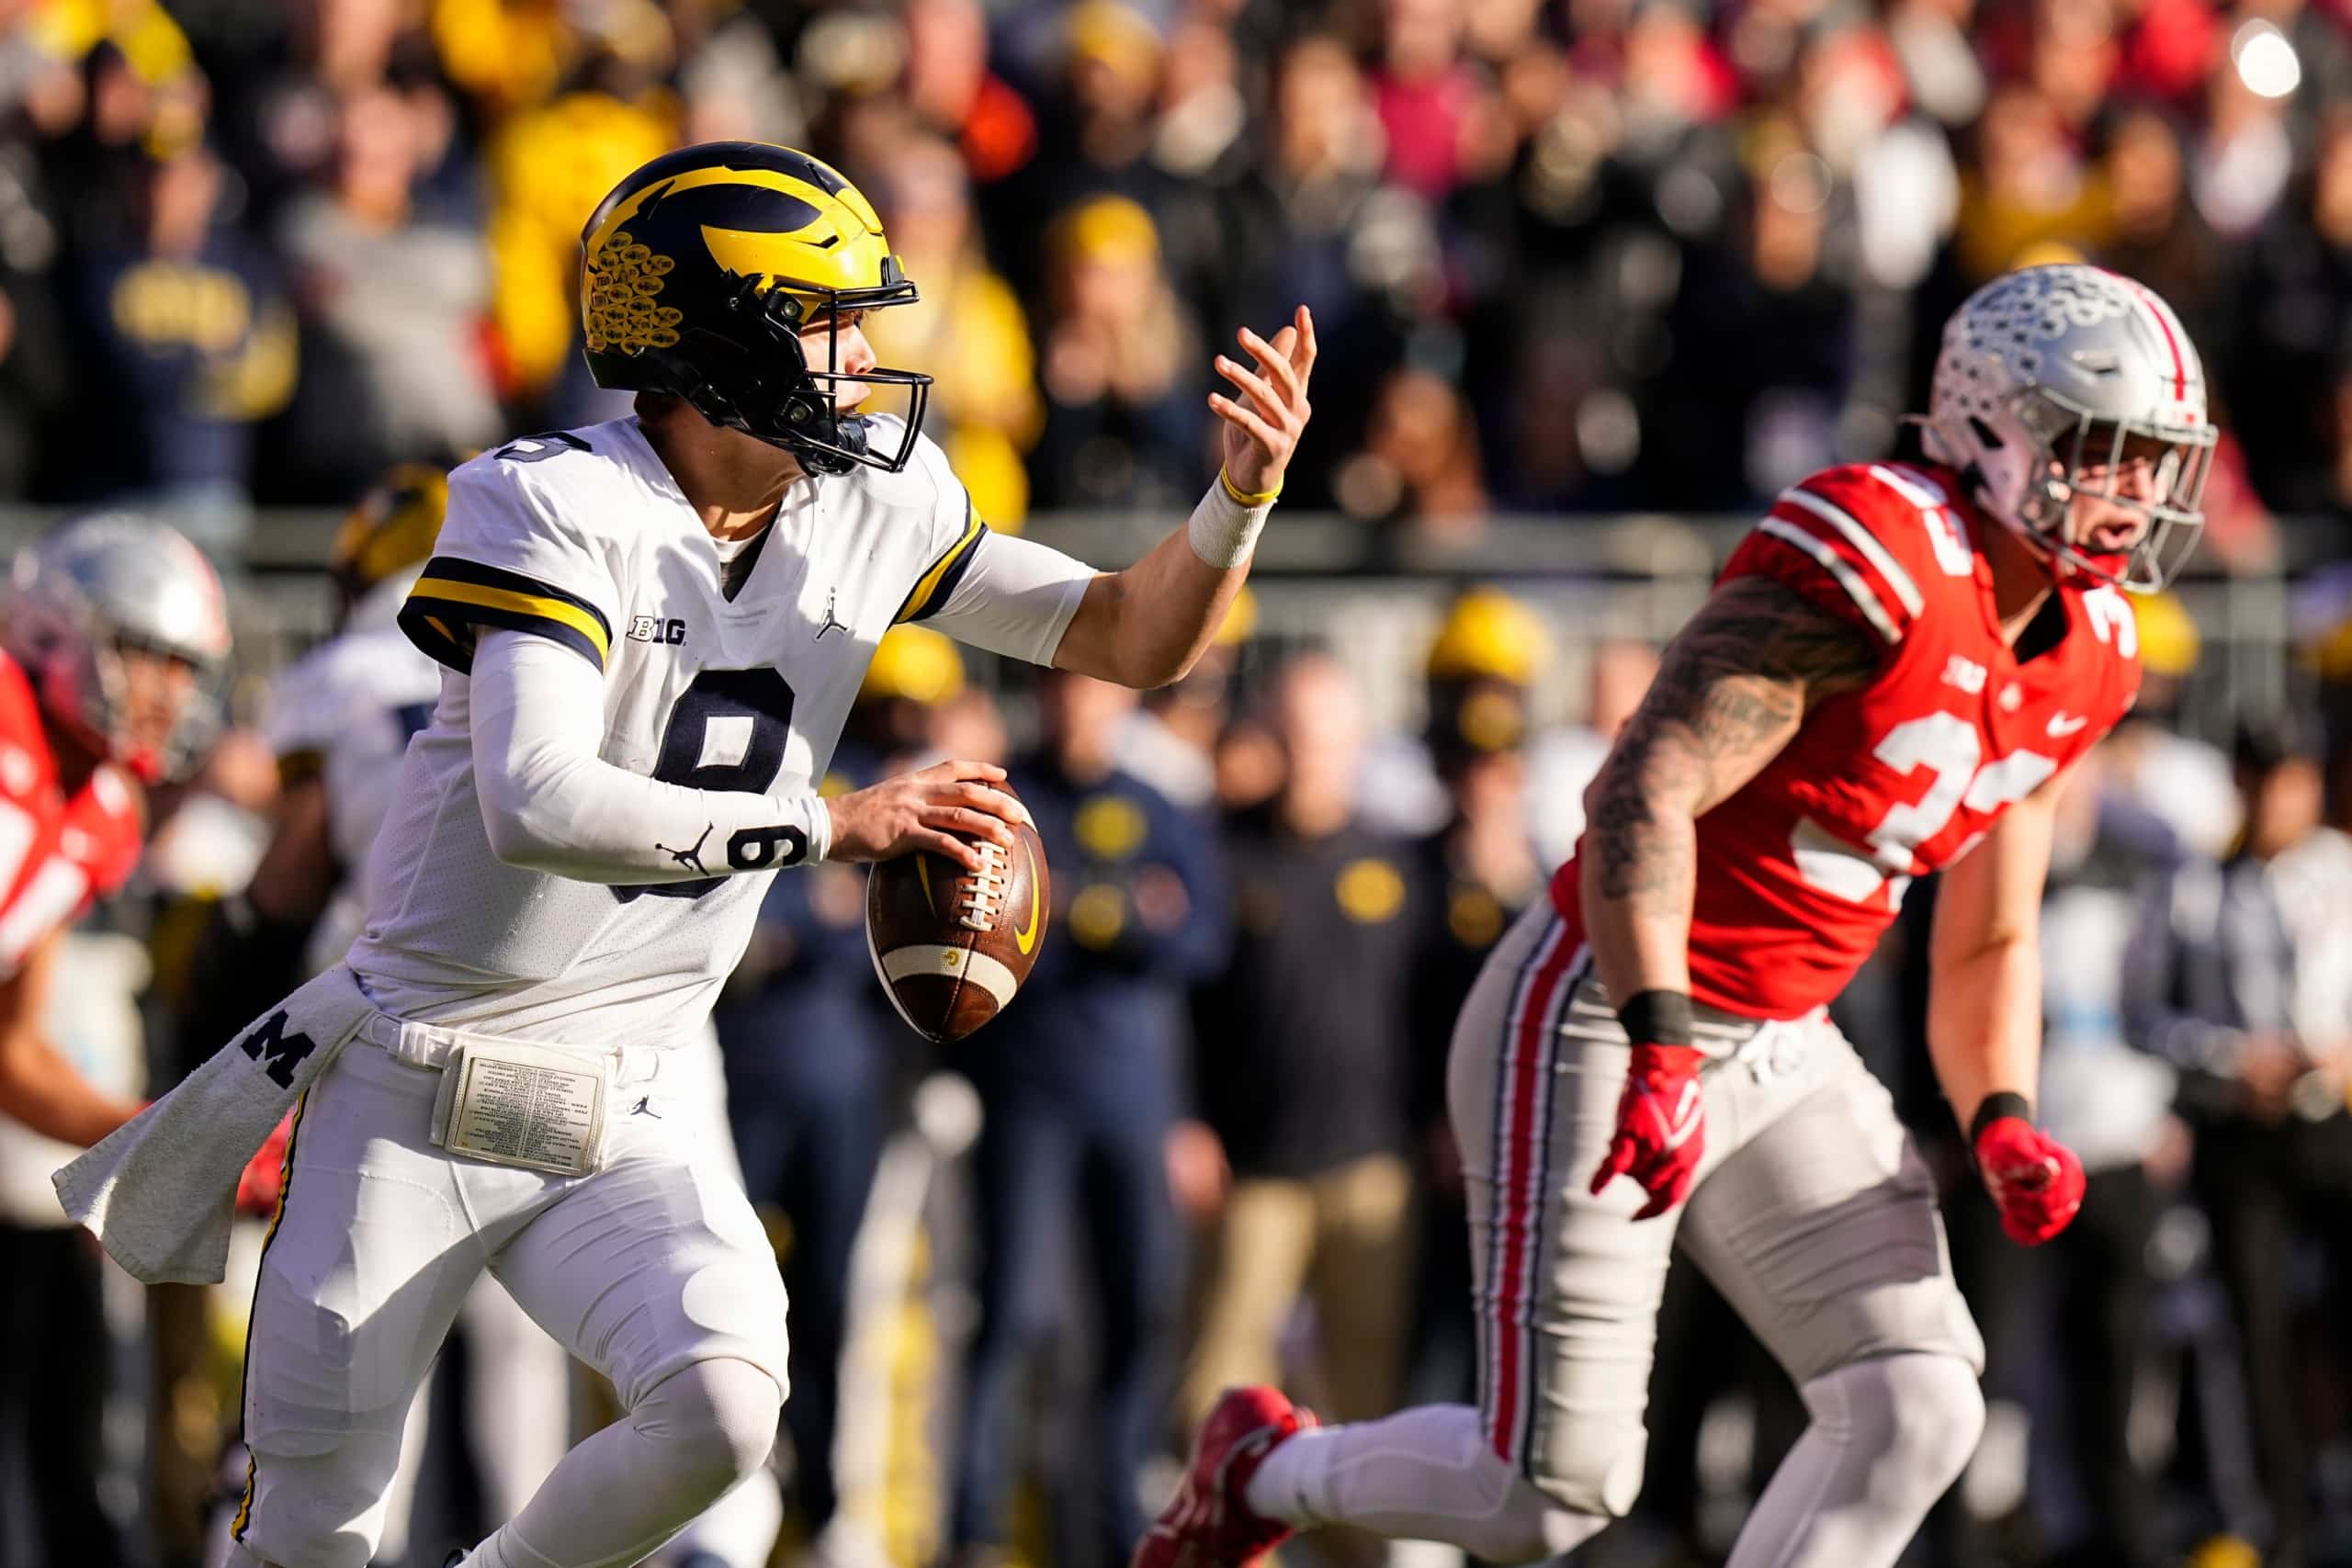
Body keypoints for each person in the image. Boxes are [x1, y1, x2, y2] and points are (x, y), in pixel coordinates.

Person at [58, 140, 1315, 1568]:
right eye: (829, 324)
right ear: (724, 340)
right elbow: (538, 794)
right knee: (313, 1538)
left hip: (630, 1086)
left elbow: (1131, 633)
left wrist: (1238, 501)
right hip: (419, 1079)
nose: (859, 360)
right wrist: (831, 820)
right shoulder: (551, 500)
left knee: (724, 1406)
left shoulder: (869, 504)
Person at [1136, 262, 2214, 1568]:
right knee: (1553, 1491)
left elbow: (1993, 926)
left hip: (1780, 1033)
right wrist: (1655, 1035)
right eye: (2105, 453)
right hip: (1604, 996)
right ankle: (1270, 1466)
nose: (2138, 492)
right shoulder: (1879, 549)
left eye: (2152, 459)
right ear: (1995, 426)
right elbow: (1644, 785)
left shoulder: (2092, 648)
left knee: (1918, 1399)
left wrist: (2002, 1113)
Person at [950, 667, 1227, 1568]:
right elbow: (969, 929)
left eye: (1094, 690)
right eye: (1062, 689)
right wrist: (1117, 910)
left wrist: (1081, 910)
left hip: (1131, 1100)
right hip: (1027, 1095)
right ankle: (977, 1529)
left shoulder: (1159, 804)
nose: (1077, 706)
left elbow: (1202, 940)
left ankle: (1113, 1528)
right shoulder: (1004, 802)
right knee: (1008, 1315)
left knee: (1134, 1312)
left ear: (1121, 702)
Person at [0, 512, 229, 1566]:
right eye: (146, 652)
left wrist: (165, 1136)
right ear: (57, 629)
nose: (168, 691)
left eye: (185, 667)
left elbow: (15, 1055)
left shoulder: (100, 807)